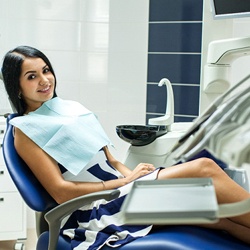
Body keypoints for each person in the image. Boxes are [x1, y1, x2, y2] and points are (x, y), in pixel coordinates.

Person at [1, 46, 250, 249]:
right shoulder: (25, 130)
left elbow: (111, 161)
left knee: (221, 218)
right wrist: (123, 182)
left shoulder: (71, 109)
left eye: (46, 70)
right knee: (204, 167)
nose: (44, 80)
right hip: (95, 208)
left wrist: (129, 173)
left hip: (123, 191)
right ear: (18, 87)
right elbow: (61, 192)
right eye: (32, 76)